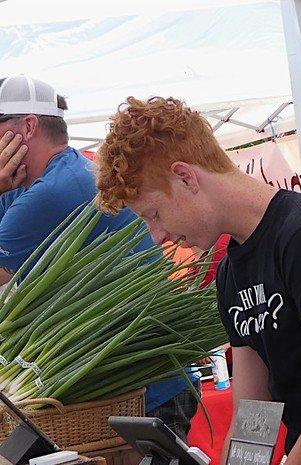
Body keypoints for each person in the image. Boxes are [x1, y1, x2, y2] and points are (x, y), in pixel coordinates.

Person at [95, 96, 301, 465]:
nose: (156, 236)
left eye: (154, 214)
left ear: (185, 177)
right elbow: (252, 414)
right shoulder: (231, 270)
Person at [0, 75, 199, 434]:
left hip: (143, 393)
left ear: (27, 127)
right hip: (130, 388)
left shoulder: (51, 194)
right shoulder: (32, 184)